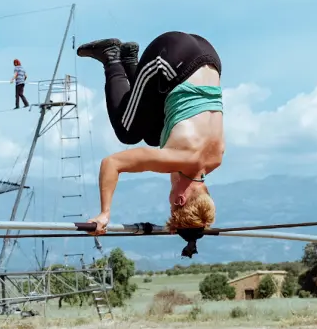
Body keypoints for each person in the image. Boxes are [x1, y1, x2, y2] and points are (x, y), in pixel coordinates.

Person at [76, 33, 222, 254]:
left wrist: (192, 235)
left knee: (153, 136)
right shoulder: (180, 157)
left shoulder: (214, 159)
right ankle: (111, 57)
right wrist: (105, 213)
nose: (170, 199)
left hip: (208, 56)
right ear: (180, 199)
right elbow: (111, 163)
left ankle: (128, 57)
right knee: (127, 131)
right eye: (172, 204)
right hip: (172, 55)